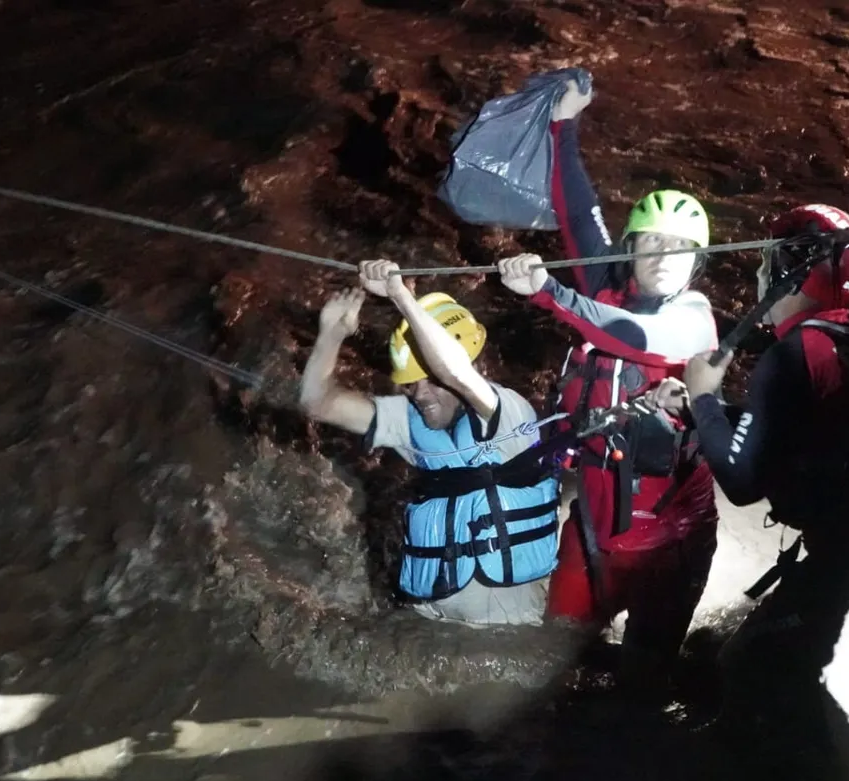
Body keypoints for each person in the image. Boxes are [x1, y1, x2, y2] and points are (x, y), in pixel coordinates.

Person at [492, 78, 721, 685]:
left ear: (697, 262)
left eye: (681, 247)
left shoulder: (695, 321)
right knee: (553, 666)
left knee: (644, 687)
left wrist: (547, 291)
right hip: (592, 530)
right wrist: (565, 126)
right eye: (652, 241)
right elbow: (578, 214)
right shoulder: (604, 289)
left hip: (671, 542)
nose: (664, 255)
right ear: (633, 248)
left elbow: (634, 339)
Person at [298, 258, 561, 628]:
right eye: (410, 384)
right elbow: (317, 402)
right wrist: (332, 334)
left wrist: (400, 296)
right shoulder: (410, 423)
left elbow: (452, 370)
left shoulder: (506, 414)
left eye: (429, 380)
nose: (421, 394)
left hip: (505, 628)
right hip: (429, 620)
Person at [676, 203, 849, 554]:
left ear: (791, 273)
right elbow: (799, 432)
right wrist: (718, 413)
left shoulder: (793, 354)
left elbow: (741, 482)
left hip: (846, 555)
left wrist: (702, 397)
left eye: (768, 262)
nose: (760, 273)